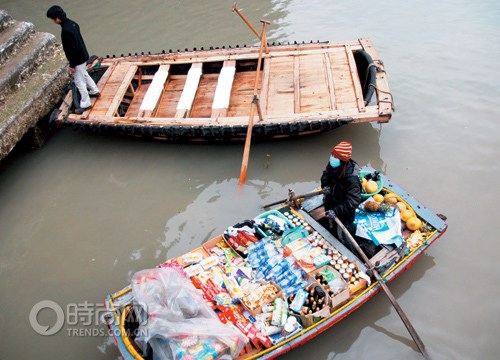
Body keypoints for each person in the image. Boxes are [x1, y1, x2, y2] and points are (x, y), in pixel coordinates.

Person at [47, 5, 100, 114]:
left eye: (52, 19)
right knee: (84, 74)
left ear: (57, 18)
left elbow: (70, 50)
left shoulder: (65, 31)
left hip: (77, 60)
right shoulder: (73, 23)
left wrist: (72, 65)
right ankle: (94, 90)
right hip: (83, 55)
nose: (52, 21)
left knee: (79, 81)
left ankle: (86, 103)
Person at [320, 141, 364, 252]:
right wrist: (325, 185)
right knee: (331, 226)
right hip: (330, 202)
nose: (332, 158)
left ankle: (353, 255)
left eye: (335, 156)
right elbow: (325, 174)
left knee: (343, 237)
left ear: (343, 160)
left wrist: (336, 211)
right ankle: (332, 233)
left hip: (343, 212)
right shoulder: (333, 164)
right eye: (332, 155)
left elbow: (353, 201)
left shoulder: (351, 178)